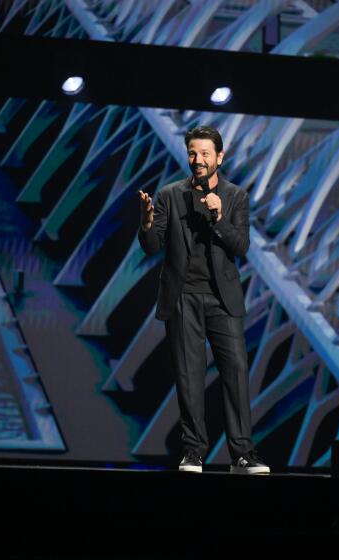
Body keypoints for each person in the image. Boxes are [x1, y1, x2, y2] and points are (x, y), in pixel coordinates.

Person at [137, 126, 269, 475]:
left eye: (205, 154)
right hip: (182, 297)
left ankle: (242, 454)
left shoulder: (235, 196)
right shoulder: (169, 195)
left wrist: (219, 217)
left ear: (219, 158)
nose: (198, 160)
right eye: (193, 153)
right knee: (189, 374)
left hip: (223, 299)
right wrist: (147, 224)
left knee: (236, 373)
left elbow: (240, 247)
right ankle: (193, 452)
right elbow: (153, 246)